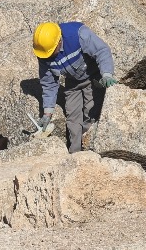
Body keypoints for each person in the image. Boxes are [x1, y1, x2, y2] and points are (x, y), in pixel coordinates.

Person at [33, 21, 117, 154]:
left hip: (92, 77)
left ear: (59, 41)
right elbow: (49, 84)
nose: (48, 57)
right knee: (72, 118)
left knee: (90, 113)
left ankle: (90, 152)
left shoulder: (77, 34)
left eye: (51, 53)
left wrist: (106, 74)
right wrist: (47, 113)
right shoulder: (44, 52)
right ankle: (75, 155)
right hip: (73, 83)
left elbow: (102, 50)